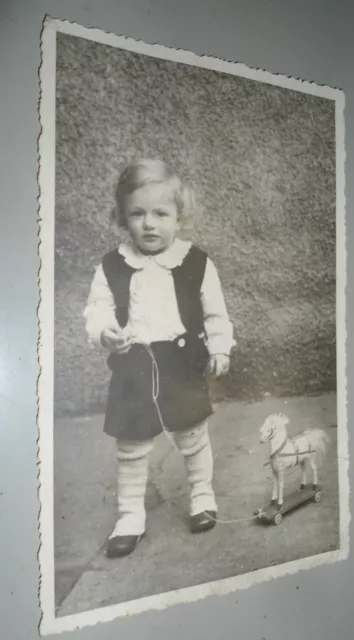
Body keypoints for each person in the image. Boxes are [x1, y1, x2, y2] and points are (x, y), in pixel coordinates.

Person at [83, 159, 234, 558]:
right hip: (133, 365)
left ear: (179, 217)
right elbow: (96, 309)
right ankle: (130, 515)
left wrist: (220, 348)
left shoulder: (196, 262)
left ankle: (202, 496)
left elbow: (216, 311)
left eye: (160, 214)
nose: (149, 224)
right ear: (122, 218)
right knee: (131, 444)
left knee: (191, 435)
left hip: (180, 363)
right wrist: (104, 332)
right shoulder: (112, 265)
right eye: (137, 213)